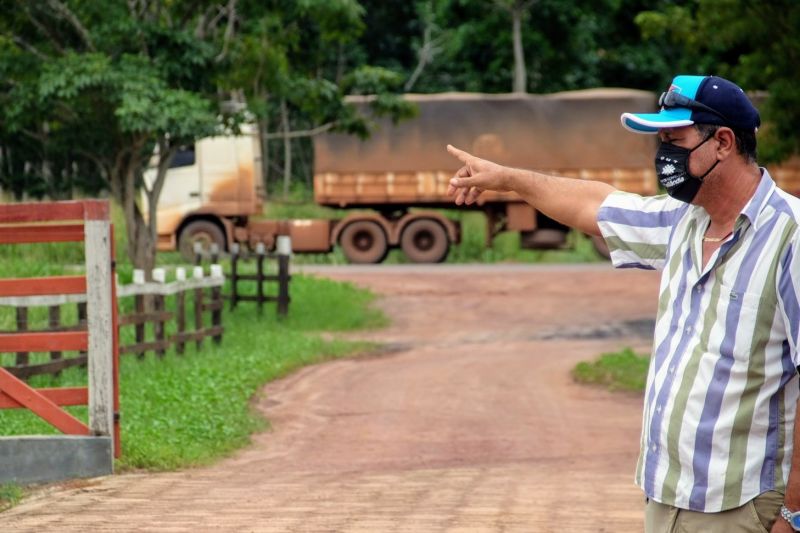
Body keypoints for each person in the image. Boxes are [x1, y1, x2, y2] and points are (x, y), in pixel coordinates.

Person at [446, 74, 800, 533]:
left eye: (674, 139)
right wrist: (509, 179)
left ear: (724, 143)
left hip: (744, 506)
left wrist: (793, 513)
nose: (663, 154)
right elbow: (595, 204)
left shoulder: (791, 236)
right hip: (665, 499)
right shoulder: (684, 221)